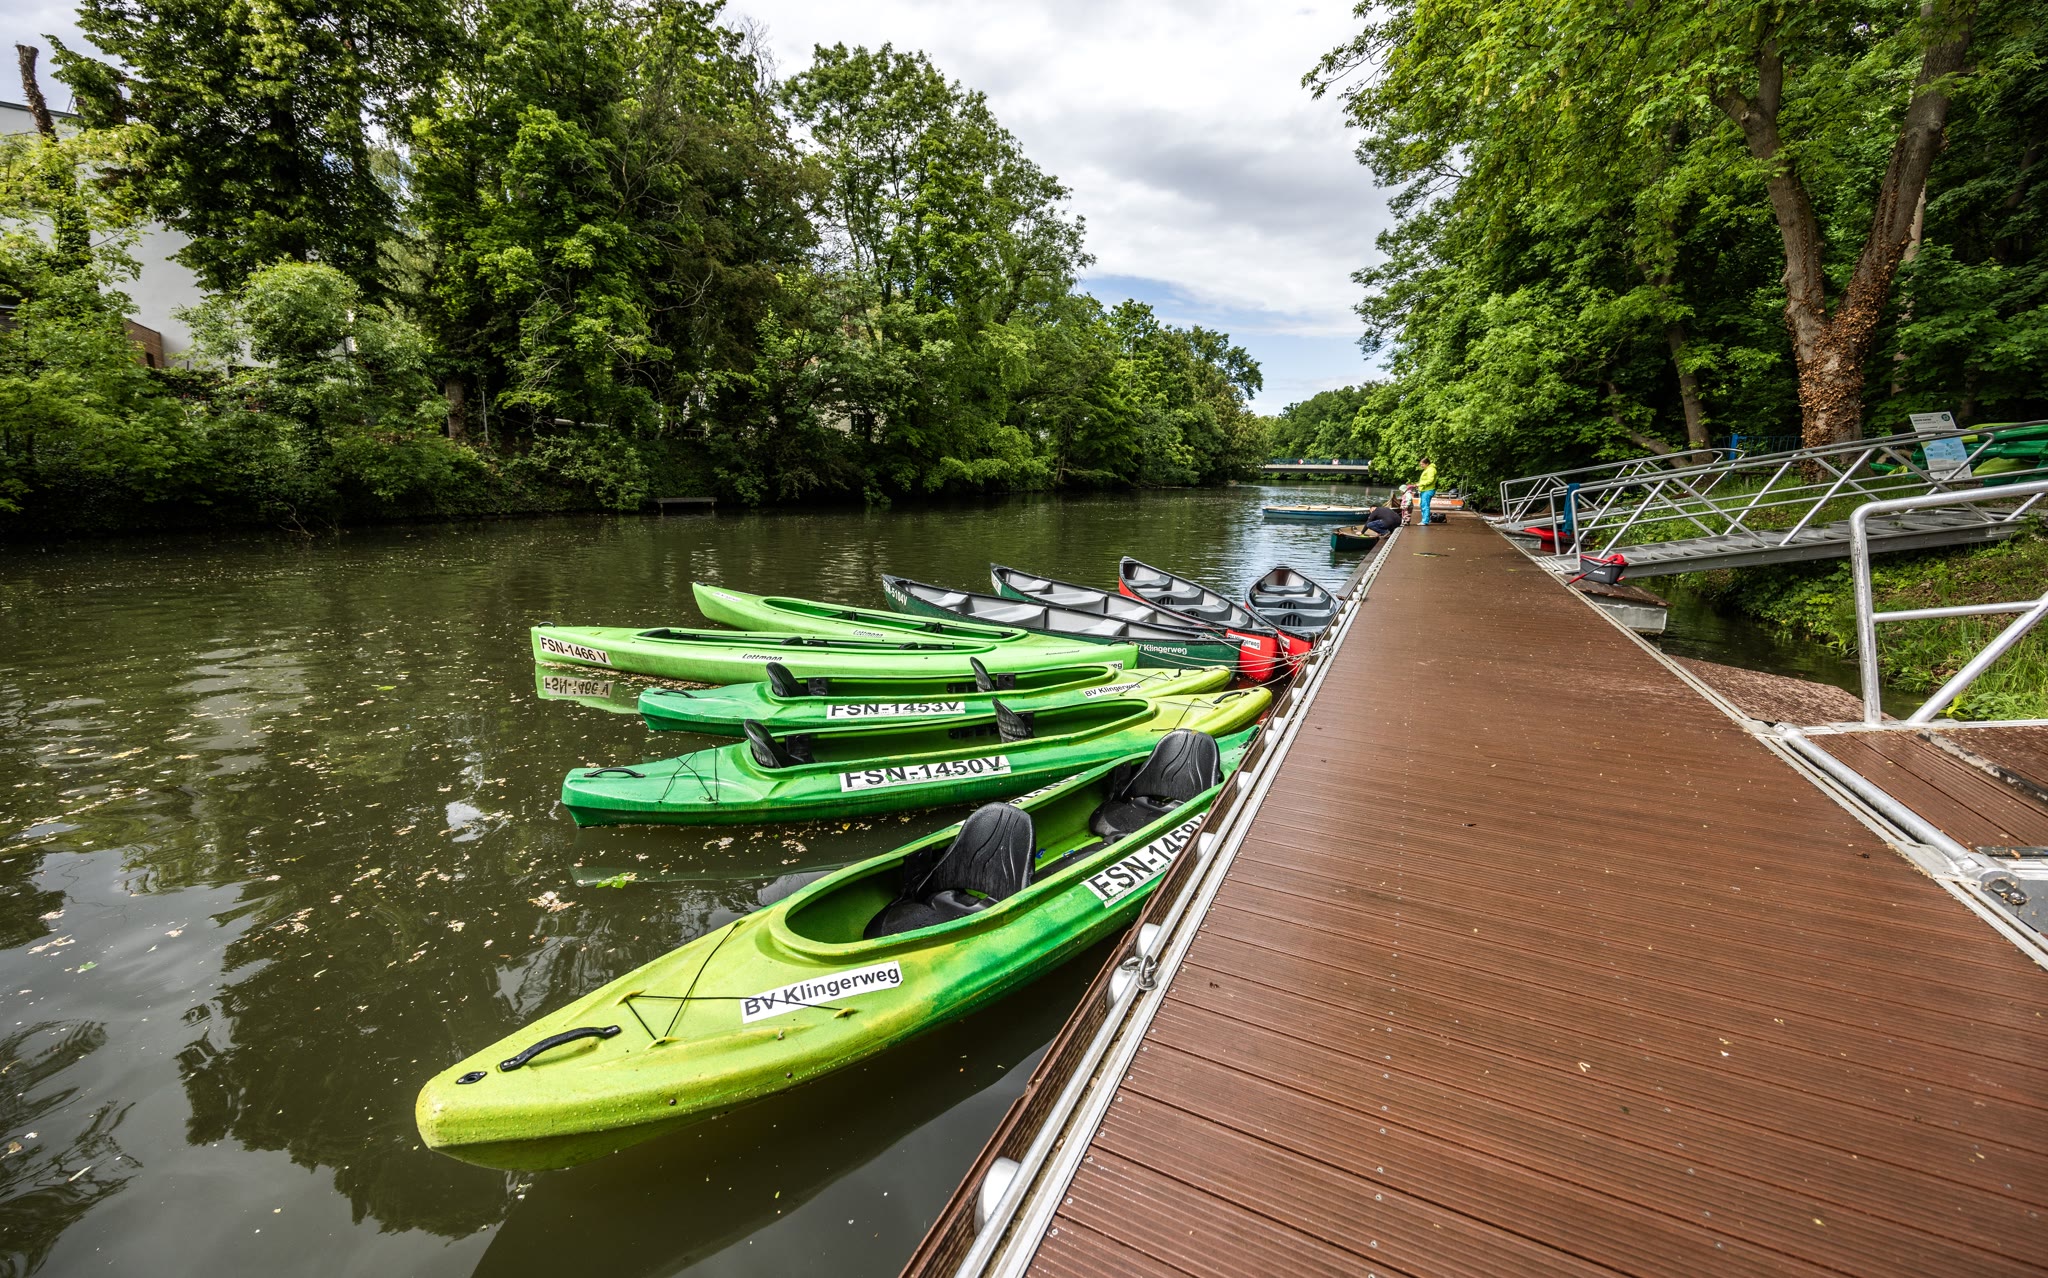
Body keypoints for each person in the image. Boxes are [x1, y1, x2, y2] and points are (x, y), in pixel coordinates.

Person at [1415, 457, 1439, 525]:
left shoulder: (1431, 470)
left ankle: (1425, 521)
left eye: (1422, 464)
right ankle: (1424, 520)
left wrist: (1420, 484)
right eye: (1420, 464)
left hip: (1428, 490)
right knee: (1423, 505)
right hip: (1425, 490)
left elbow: (1430, 480)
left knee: (1425, 505)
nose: (1421, 466)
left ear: (1427, 463)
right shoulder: (1427, 469)